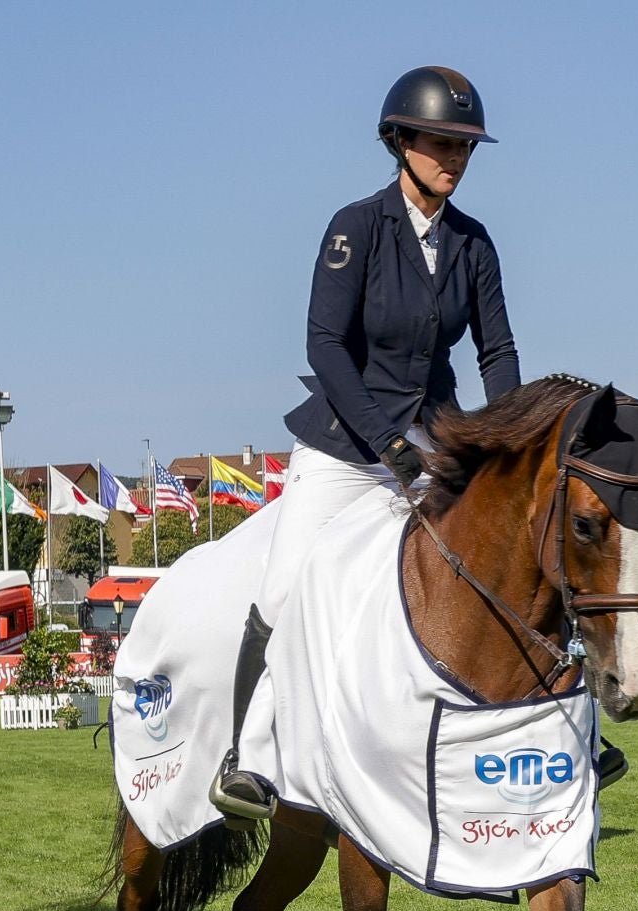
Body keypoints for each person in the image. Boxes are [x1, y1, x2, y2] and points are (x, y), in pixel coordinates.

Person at [212, 65, 534, 825]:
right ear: (400, 140)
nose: (455, 157)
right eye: (441, 141)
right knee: (287, 585)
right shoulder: (355, 226)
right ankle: (248, 755)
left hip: (438, 437)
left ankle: (549, 724)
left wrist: (510, 436)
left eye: (465, 146)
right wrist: (388, 444)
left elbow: (498, 353)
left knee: (511, 555)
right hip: (345, 443)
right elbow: (326, 346)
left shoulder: (474, 245)